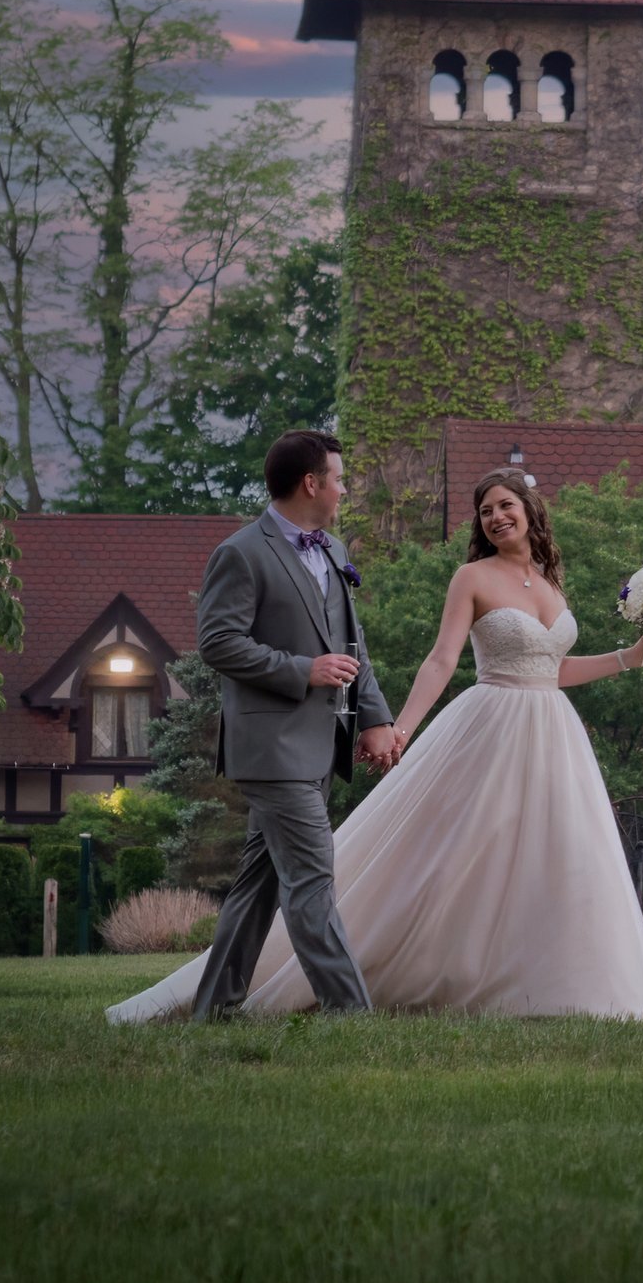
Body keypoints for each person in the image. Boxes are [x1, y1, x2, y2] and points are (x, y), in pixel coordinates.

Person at [109, 465, 643, 1024]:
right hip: (490, 725)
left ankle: (553, 982)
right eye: (485, 510)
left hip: (552, 735)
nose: (495, 517)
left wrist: (629, 657)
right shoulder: (471, 577)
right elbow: (443, 659)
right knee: (457, 856)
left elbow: (551, 668)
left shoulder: (549, 583)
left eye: (504, 506)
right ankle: (395, 978)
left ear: (529, 509)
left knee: (560, 854)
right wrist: (402, 728)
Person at [182, 430, 399, 1023]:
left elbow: (353, 647)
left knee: (258, 886)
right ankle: (350, 1012)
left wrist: (375, 718)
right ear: (312, 483)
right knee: (312, 877)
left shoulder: (332, 547)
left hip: (320, 745)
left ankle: (214, 1008)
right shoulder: (241, 553)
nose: (345, 487)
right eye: (340, 477)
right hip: (271, 749)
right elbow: (218, 642)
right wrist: (303, 670)